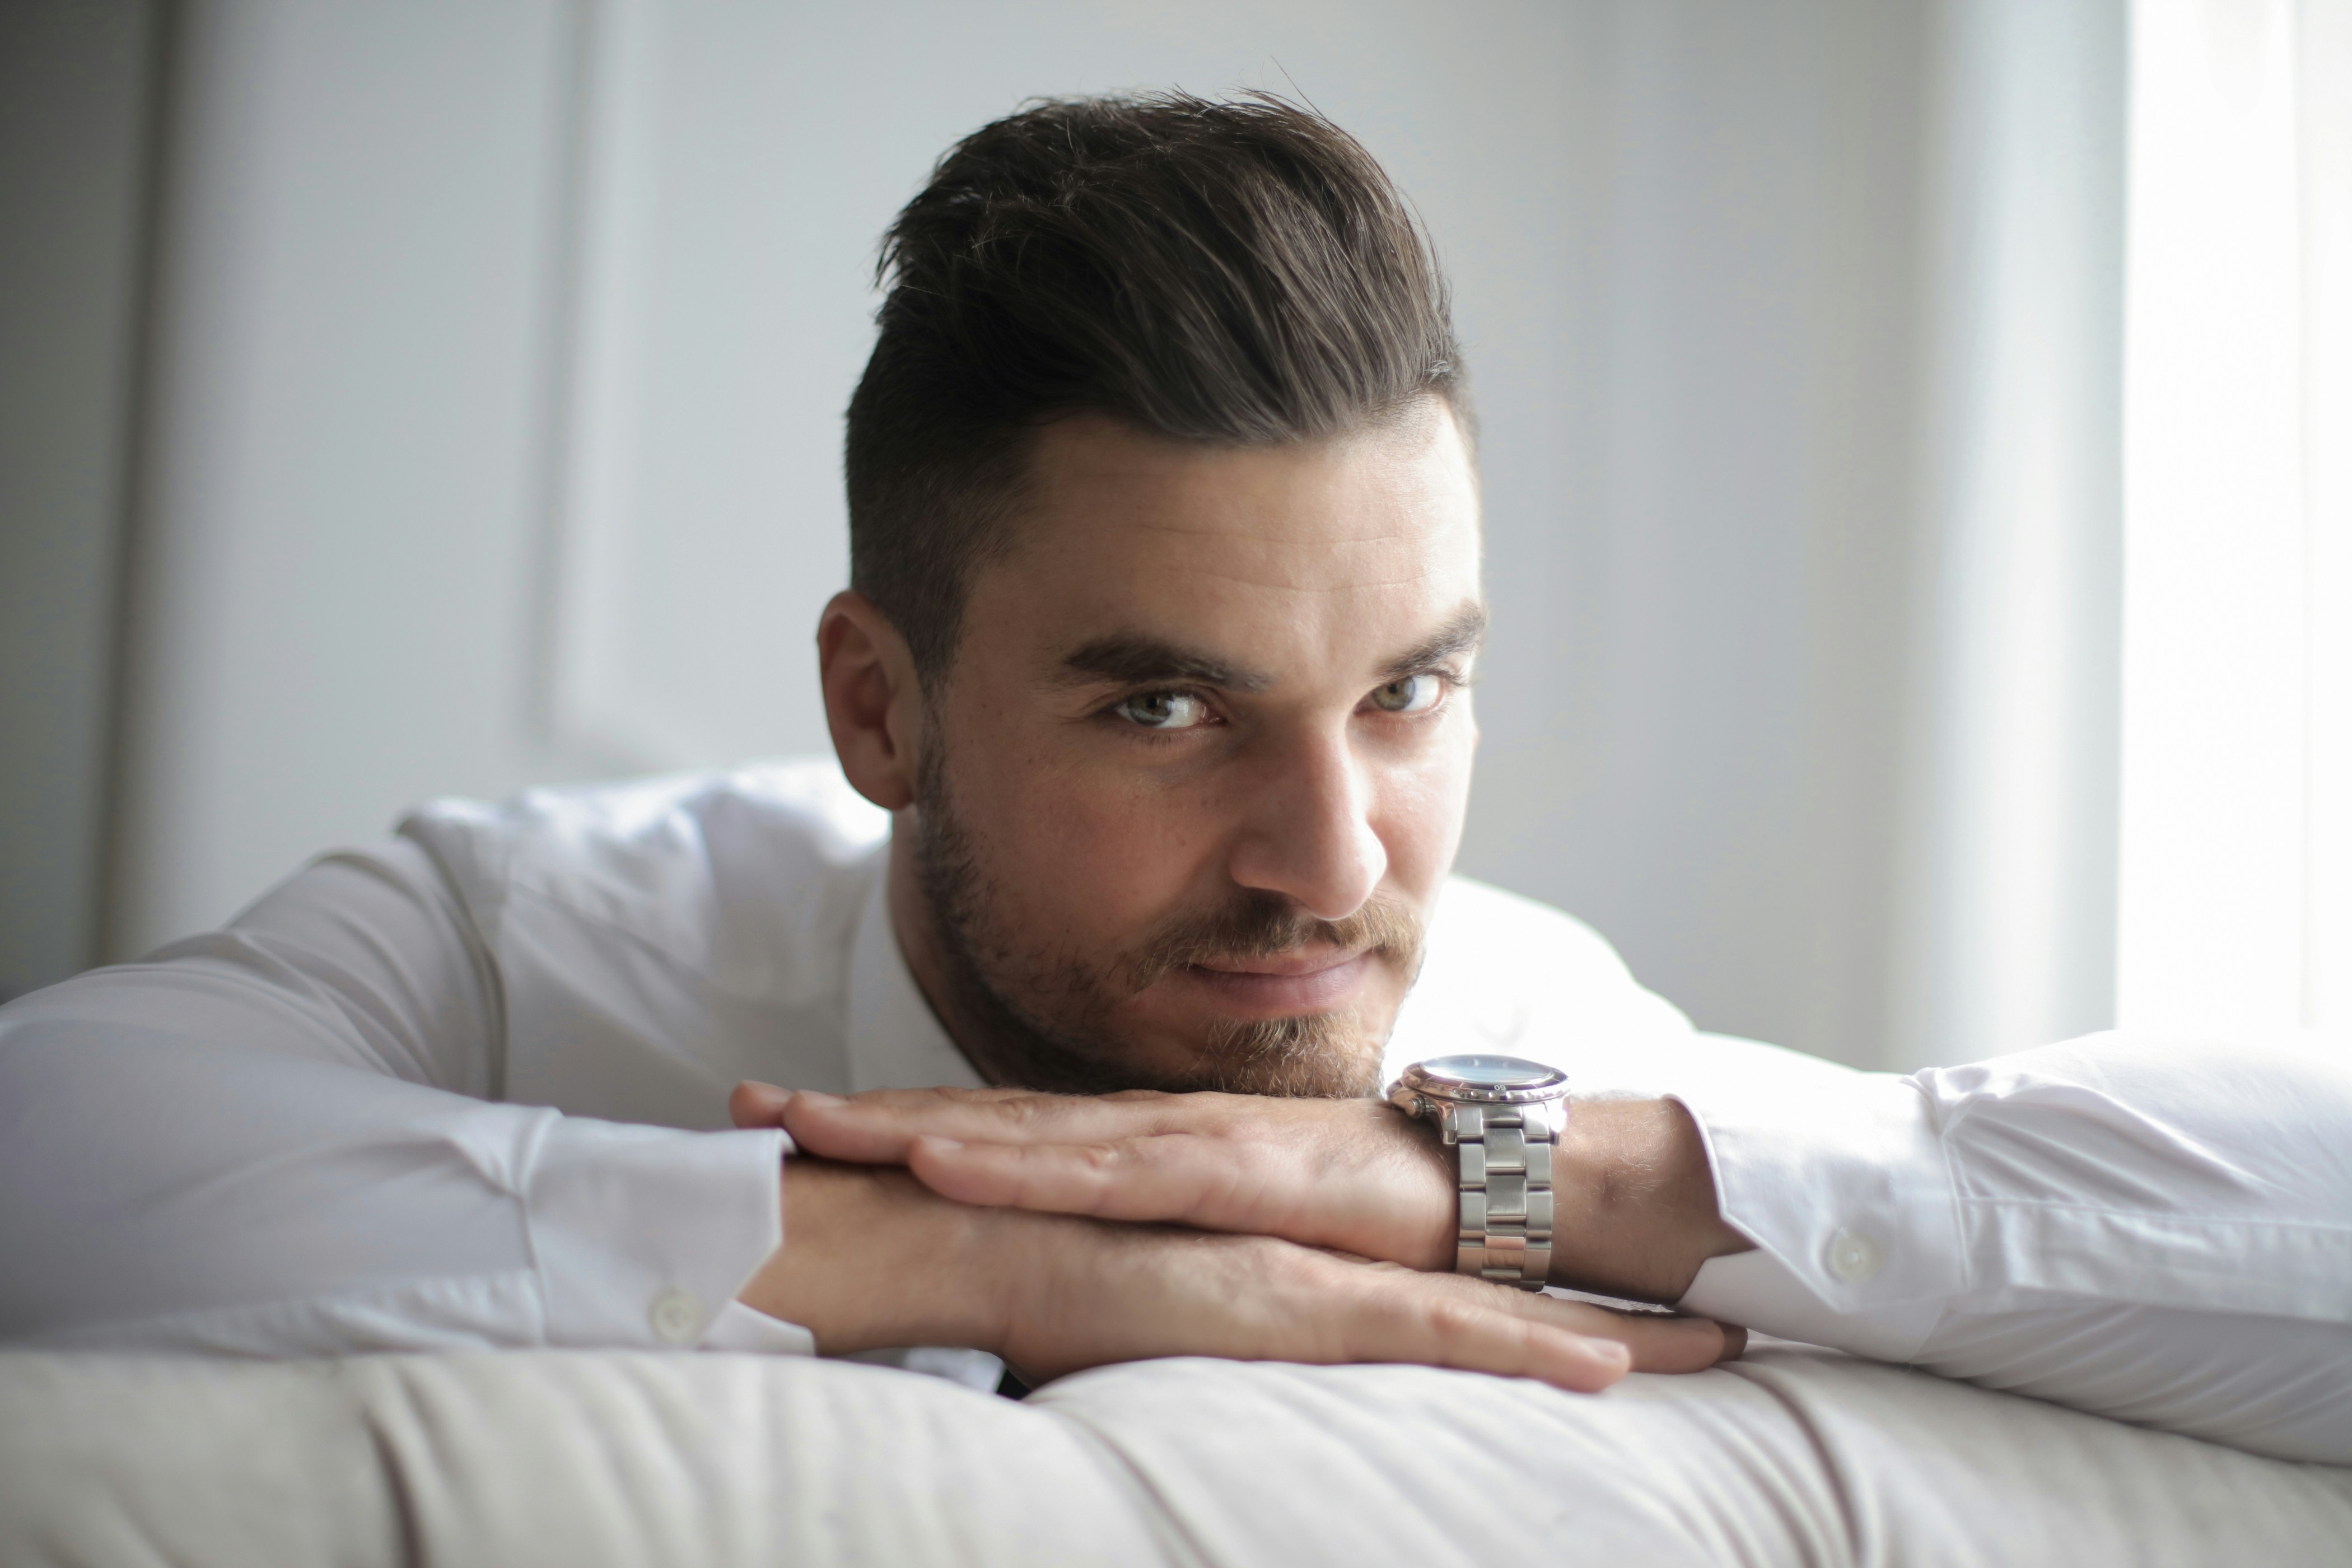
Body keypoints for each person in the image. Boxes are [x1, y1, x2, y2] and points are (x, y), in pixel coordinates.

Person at [2, 92, 2346, 1462]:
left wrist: (1503, 1193)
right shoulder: (534, 948)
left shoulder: (1524, 1057)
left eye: (1411, 692)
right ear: (879, 709)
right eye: (1165, 708)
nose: (1340, 866)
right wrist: (972, 1252)